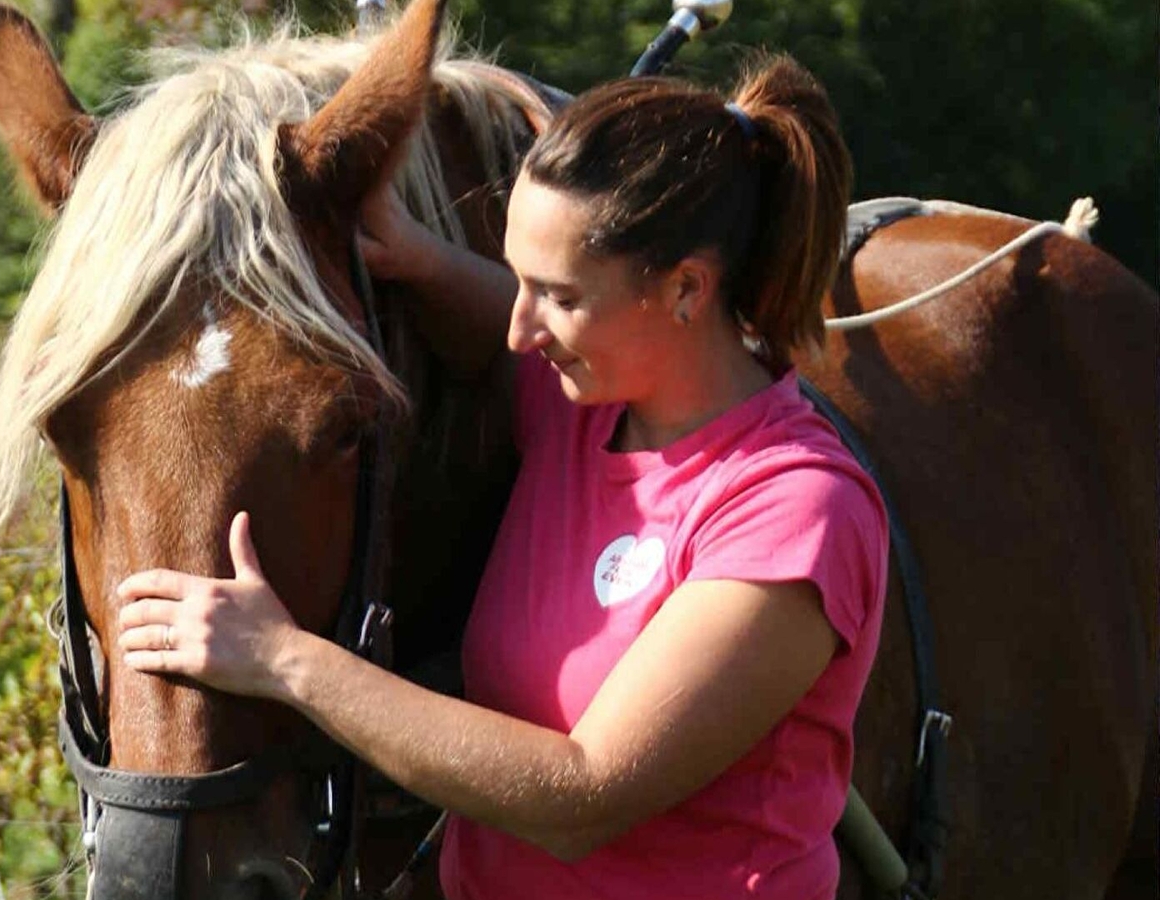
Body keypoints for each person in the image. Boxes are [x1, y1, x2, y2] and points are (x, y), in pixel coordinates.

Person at [114, 54, 890, 900]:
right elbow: (492, 316)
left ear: (685, 291)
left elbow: (583, 796)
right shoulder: (588, 407)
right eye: (519, 279)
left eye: (556, 295)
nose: (523, 328)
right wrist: (408, 253)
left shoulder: (793, 509)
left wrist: (286, 661)